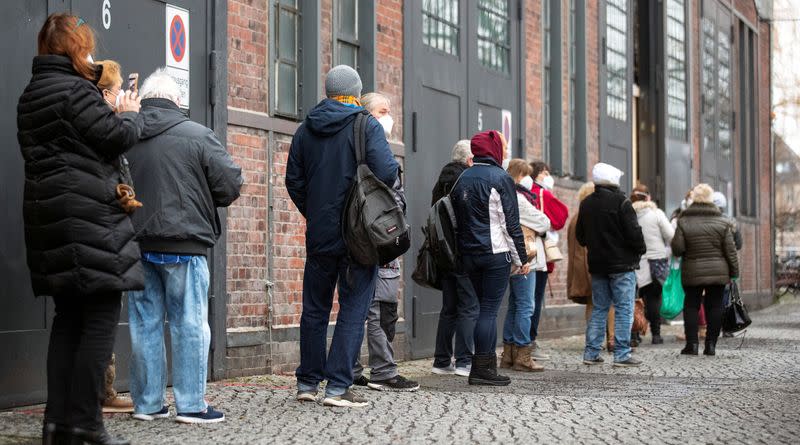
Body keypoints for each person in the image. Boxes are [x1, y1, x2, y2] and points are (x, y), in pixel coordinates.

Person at [17, 13, 142, 445]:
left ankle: (58, 423)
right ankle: (87, 424)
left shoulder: (31, 95)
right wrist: (129, 115)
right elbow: (112, 137)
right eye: (85, 47)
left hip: (51, 219)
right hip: (89, 220)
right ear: (74, 49)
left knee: (68, 321)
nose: (91, 55)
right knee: (99, 323)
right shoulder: (76, 92)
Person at [126, 69, 243, 424]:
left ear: (144, 100)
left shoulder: (126, 135)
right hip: (186, 244)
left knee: (144, 324)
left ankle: (147, 404)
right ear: (176, 101)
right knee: (189, 323)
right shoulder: (196, 134)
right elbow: (231, 182)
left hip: (137, 243)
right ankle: (191, 405)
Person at [286, 65, 399, 407]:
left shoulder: (306, 129)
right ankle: (337, 386)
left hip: (320, 236)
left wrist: (317, 213)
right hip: (359, 238)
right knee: (353, 307)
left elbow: (294, 181)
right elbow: (388, 173)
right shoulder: (365, 125)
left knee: (315, 308)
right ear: (355, 91)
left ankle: (307, 383)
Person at [351, 93, 418, 392]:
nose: (389, 116)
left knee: (371, 308)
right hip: (376, 241)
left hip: (380, 241)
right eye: (383, 111)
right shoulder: (372, 154)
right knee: (376, 311)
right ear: (368, 116)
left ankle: (352, 368)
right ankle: (383, 370)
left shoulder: (377, 150)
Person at [451, 130, 528, 386]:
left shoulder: (463, 177)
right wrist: (522, 258)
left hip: (469, 254)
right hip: (495, 254)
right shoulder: (500, 178)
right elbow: (511, 224)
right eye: (503, 147)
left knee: (481, 309)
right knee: (489, 311)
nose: (505, 152)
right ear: (493, 149)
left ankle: (482, 367)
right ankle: (482, 369)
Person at [94, 59, 137, 415]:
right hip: (98, 231)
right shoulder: (103, 122)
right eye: (119, 90)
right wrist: (128, 116)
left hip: (99, 228)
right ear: (107, 93)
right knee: (99, 316)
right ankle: (101, 392)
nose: (124, 95)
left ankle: (99, 391)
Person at [577, 163, 646, 367]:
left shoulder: (587, 203)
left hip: (598, 265)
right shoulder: (622, 203)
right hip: (622, 265)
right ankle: (622, 354)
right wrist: (638, 250)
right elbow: (634, 234)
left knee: (599, 308)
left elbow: (581, 236)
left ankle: (591, 353)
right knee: (624, 308)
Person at [671, 184, 739, 356]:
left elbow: (677, 249)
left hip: (692, 272)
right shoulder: (722, 222)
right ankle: (711, 345)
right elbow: (730, 251)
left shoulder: (684, 221)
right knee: (715, 306)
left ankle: (692, 345)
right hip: (718, 272)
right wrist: (734, 273)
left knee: (691, 306)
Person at [430, 140, 479, 376]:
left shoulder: (441, 181)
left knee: (449, 308)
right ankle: (464, 361)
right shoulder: (466, 181)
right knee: (469, 306)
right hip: (463, 251)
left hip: (443, 253)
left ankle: (441, 361)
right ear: (470, 160)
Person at [499, 160, 550, 372]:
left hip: (514, 256)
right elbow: (545, 222)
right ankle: (522, 353)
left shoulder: (508, 195)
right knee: (526, 306)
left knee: (516, 304)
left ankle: (509, 354)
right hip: (526, 258)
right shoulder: (519, 198)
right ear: (519, 175)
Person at [567, 182, 616, 351]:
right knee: (607, 302)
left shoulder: (575, 217)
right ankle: (611, 339)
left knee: (592, 304)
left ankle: (593, 340)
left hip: (580, 269)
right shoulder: (591, 217)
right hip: (593, 265)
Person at [528, 161, 569, 361]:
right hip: (538, 254)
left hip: (522, 253)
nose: (548, 175)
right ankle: (529, 341)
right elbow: (561, 217)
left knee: (522, 301)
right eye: (545, 172)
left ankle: (518, 342)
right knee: (534, 300)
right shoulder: (542, 194)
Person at [631, 184, 674, 345]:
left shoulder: (628, 214)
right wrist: (667, 251)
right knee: (654, 299)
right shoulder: (656, 214)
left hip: (635, 263)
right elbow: (671, 235)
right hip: (656, 263)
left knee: (633, 299)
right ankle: (656, 335)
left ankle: (634, 334)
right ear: (647, 197)